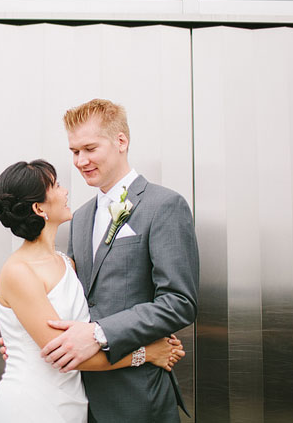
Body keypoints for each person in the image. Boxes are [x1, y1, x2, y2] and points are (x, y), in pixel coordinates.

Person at [37, 98, 200, 422]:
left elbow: (180, 301)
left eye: (89, 148)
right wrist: (30, 333)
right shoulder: (80, 218)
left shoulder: (164, 205)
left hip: (137, 398)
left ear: (121, 141)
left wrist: (99, 332)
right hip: (75, 396)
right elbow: (72, 296)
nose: (80, 160)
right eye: (74, 152)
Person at [0, 159, 185, 423]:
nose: (65, 191)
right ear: (38, 208)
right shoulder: (19, 271)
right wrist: (147, 353)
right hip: (32, 405)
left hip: (74, 403)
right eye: (56, 186)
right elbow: (65, 355)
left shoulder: (67, 263)